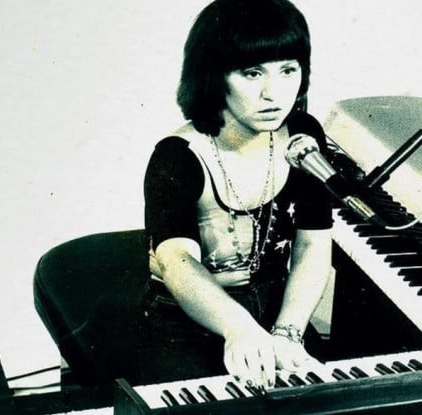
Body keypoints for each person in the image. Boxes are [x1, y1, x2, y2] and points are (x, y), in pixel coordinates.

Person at [140, 0, 358, 390]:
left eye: (288, 70)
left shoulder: (303, 136)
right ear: (213, 76)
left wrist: (288, 331)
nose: (274, 94)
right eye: (252, 73)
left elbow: (313, 243)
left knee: (319, 407)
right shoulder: (176, 156)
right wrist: (240, 328)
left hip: (275, 308)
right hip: (189, 317)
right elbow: (176, 261)